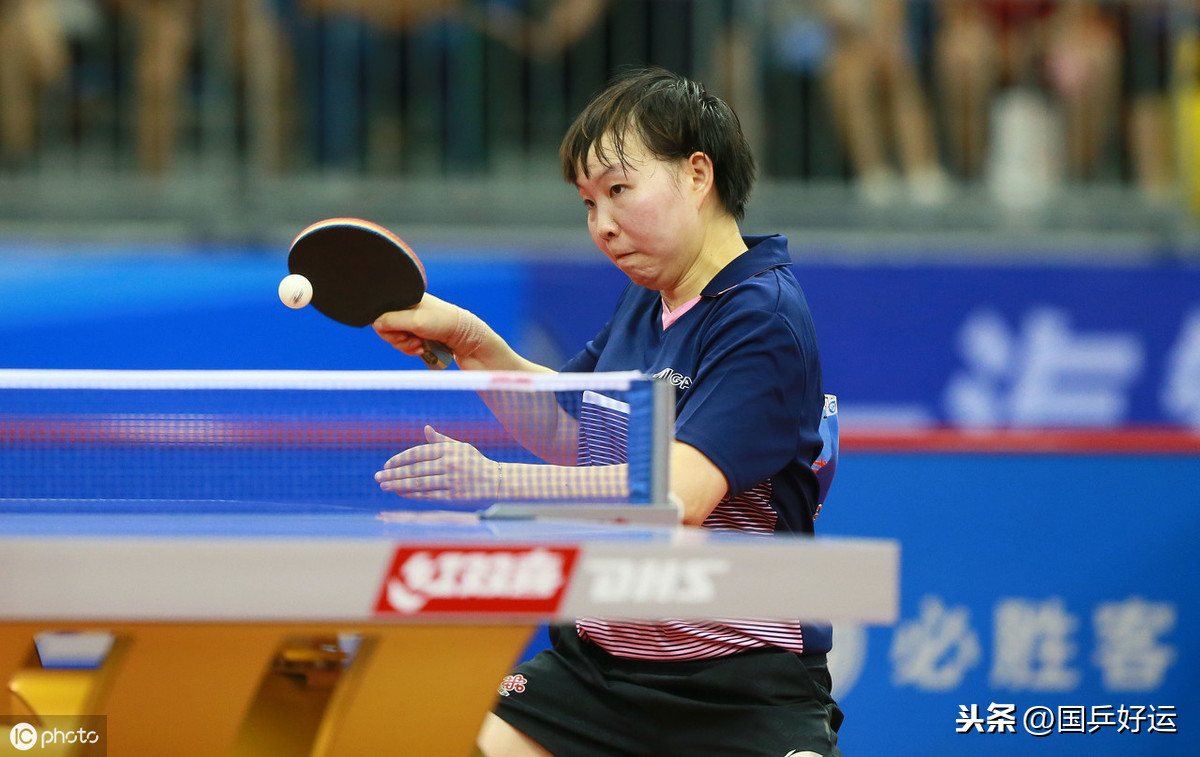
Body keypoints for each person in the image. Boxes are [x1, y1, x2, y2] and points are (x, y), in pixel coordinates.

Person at [372, 67, 840, 757]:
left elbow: (677, 495)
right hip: (594, 674)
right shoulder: (648, 299)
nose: (603, 225)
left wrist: (495, 483)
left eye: (619, 190)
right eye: (588, 203)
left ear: (697, 174)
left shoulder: (760, 316)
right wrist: (476, 344)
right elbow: (568, 431)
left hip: (736, 685)